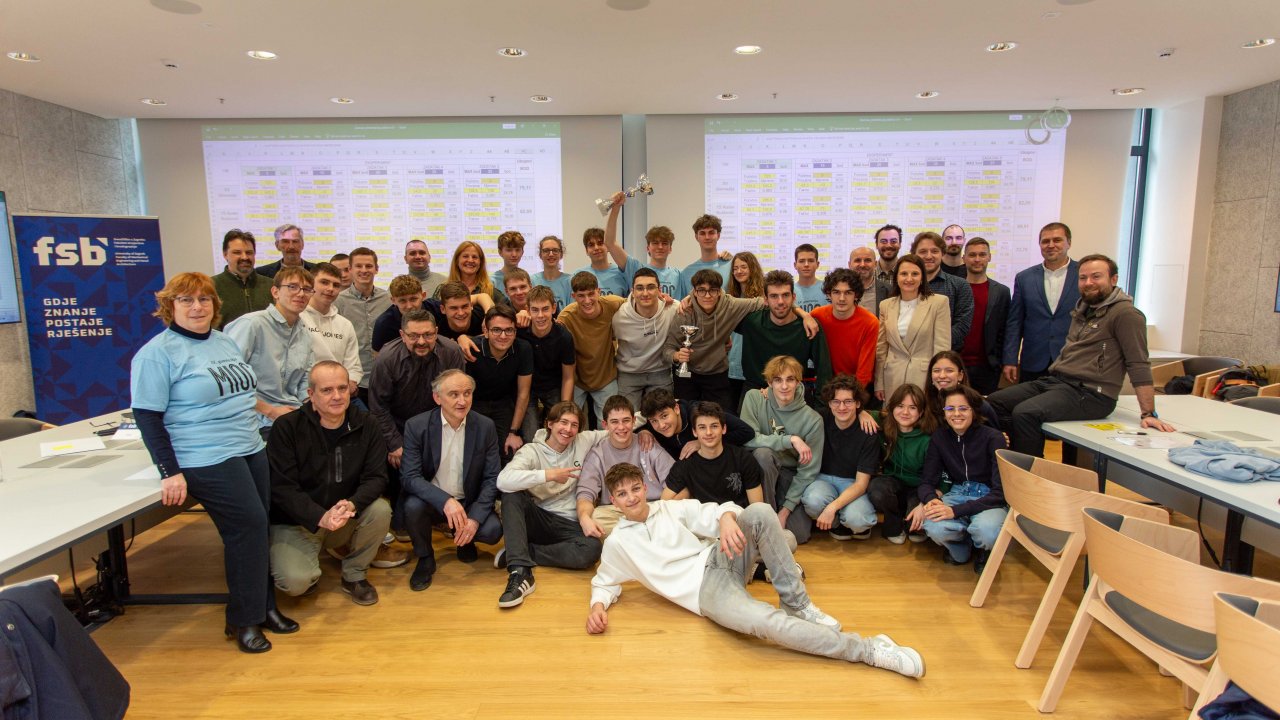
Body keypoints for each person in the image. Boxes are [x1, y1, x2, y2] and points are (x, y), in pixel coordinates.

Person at [586, 463, 925, 679]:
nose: (632, 498)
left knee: (760, 511)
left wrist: (725, 519)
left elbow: (717, 510)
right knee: (767, 623)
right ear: (613, 501)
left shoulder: (670, 508)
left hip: (721, 556)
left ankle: (797, 603)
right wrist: (597, 607)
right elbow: (604, 581)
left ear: (644, 487)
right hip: (708, 593)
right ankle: (868, 649)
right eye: (622, 494)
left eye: (635, 489)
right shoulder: (618, 543)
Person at [131, 272, 297, 653]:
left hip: (248, 445)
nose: (197, 307)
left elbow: (243, 393)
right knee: (246, 527)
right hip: (203, 454)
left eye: (204, 299)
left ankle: (265, 607)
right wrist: (170, 471)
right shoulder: (158, 353)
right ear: (169, 306)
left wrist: (269, 411)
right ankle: (243, 620)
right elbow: (148, 417)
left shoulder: (223, 342)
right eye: (186, 300)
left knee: (260, 526)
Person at [987, 254, 1176, 456]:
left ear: (1113, 279)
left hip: (1092, 393)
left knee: (1026, 413)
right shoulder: (1082, 310)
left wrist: (1148, 413)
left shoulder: (1126, 314)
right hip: (1059, 382)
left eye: (1096, 276)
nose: (1088, 283)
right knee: (992, 403)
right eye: (1083, 278)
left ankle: (1027, 468)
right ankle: (1009, 460)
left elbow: (1138, 364)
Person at [267, 362, 390, 606]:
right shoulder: (287, 427)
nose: (337, 396)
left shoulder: (367, 424)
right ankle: (309, 563)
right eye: (327, 390)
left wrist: (352, 504)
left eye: (342, 388)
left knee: (380, 510)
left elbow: (377, 478)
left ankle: (354, 574)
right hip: (298, 522)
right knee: (295, 583)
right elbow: (282, 488)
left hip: (343, 516)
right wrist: (320, 517)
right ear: (311, 394)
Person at [367, 309, 466, 547]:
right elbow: (378, 407)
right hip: (399, 423)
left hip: (438, 421)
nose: (421, 341)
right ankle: (402, 520)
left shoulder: (451, 352)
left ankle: (439, 515)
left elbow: (458, 394)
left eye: (428, 335)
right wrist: (394, 443)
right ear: (402, 335)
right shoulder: (387, 359)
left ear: (436, 332)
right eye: (413, 336)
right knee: (402, 468)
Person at [494, 402, 607, 608]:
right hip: (539, 518)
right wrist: (548, 475)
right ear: (550, 424)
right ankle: (520, 572)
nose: (568, 429)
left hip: (568, 522)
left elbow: (618, 426)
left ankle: (524, 552)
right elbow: (503, 480)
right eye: (563, 422)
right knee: (511, 494)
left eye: (574, 425)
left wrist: (645, 432)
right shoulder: (531, 451)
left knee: (592, 548)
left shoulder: (582, 440)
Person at [399, 369, 503, 591]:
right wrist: (445, 501)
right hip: (433, 501)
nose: (462, 401)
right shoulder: (416, 426)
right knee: (412, 506)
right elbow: (410, 477)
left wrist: (474, 519)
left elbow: (491, 477)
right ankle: (425, 557)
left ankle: (464, 539)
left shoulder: (485, 426)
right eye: (454, 394)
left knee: (492, 530)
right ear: (437, 398)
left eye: (467, 393)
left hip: (467, 501)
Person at [665, 269, 815, 411]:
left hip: (716, 374)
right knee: (685, 416)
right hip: (687, 374)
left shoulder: (731, 305)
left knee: (725, 419)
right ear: (694, 292)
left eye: (713, 290)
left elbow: (773, 302)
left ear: (720, 291)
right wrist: (676, 356)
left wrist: (805, 314)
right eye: (701, 290)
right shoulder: (685, 311)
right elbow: (668, 348)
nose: (707, 295)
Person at [912, 385, 1008, 572]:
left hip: (989, 496)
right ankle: (963, 546)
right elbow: (926, 482)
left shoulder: (994, 438)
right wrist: (931, 500)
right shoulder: (939, 437)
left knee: (987, 531)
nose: (956, 414)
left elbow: (1000, 493)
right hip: (958, 491)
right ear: (944, 412)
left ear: (974, 410)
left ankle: (984, 549)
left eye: (963, 408)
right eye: (950, 408)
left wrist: (955, 511)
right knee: (932, 525)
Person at [741, 355, 824, 544]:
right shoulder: (755, 398)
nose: (784, 386)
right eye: (778, 380)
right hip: (760, 472)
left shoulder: (813, 420)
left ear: (798, 382)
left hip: (789, 475)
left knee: (799, 534)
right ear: (769, 383)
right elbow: (748, 439)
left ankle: (776, 517)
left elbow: (808, 471)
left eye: (790, 379)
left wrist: (786, 511)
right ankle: (765, 518)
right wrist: (790, 440)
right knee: (763, 454)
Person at [224, 267, 316, 436]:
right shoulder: (251, 324)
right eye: (293, 287)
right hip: (254, 418)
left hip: (291, 414)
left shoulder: (304, 332)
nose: (301, 294)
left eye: (307, 289)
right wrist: (270, 411)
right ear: (275, 292)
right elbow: (228, 381)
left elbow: (305, 379)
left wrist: (313, 408)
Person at [576, 395, 675, 537]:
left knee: (675, 511)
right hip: (618, 511)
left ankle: (640, 535)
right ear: (605, 425)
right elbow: (585, 493)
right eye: (614, 422)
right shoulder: (597, 454)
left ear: (634, 421)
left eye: (626, 420)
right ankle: (646, 535)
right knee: (596, 517)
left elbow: (676, 483)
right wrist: (584, 518)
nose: (621, 427)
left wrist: (661, 509)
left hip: (652, 507)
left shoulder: (647, 444)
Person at [799, 375, 880, 541]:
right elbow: (793, 409)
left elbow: (861, 484)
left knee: (858, 520)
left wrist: (831, 508)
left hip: (853, 483)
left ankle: (846, 519)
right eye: (836, 401)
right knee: (812, 501)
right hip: (823, 480)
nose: (841, 407)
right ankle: (836, 523)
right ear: (829, 403)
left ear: (858, 404)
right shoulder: (820, 419)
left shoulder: (868, 431)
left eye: (848, 401)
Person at [736, 269, 832, 404]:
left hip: (794, 393)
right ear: (765, 300)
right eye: (774, 296)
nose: (780, 301)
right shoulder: (751, 322)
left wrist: (821, 406)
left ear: (793, 297)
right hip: (755, 394)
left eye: (785, 295)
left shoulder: (809, 327)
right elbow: (719, 314)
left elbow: (823, 370)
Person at [1002, 222, 1080, 385]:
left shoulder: (1083, 275)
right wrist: (1010, 359)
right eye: (1045, 241)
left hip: (1072, 361)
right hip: (1033, 361)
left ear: (1069, 243)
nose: (1051, 245)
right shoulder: (1024, 278)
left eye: (1057, 240)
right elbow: (1015, 322)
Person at [866, 384, 936, 544]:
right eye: (900, 406)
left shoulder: (928, 438)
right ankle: (894, 523)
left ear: (921, 412)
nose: (905, 412)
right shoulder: (884, 424)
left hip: (919, 487)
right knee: (877, 489)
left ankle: (911, 521)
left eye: (913, 407)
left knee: (917, 525)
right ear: (892, 407)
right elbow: (856, 409)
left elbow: (934, 476)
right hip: (892, 483)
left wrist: (925, 502)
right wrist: (863, 414)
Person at [875, 254, 950, 401]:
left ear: (922, 278)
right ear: (896, 277)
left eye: (915, 274)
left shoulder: (939, 303)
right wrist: (879, 383)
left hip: (924, 377)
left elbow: (942, 348)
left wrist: (938, 379)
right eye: (904, 274)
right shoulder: (885, 305)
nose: (909, 279)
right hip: (892, 377)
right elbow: (881, 348)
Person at [662, 401, 765, 507]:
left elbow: (757, 508)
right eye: (702, 427)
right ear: (695, 432)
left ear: (724, 429)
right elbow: (664, 503)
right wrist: (687, 493)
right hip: (704, 516)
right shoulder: (684, 466)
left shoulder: (743, 459)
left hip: (740, 515)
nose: (708, 432)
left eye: (714, 426)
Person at [557, 271, 626, 426]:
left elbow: (638, 303)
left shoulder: (613, 304)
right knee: (572, 424)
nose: (587, 300)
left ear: (598, 292)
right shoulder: (566, 318)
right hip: (576, 379)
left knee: (610, 424)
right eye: (581, 296)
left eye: (591, 294)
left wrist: (664, 299)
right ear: (573, 296)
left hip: (605, 378)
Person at [465, 305, 533, 459]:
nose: (503, 336)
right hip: (475, 404)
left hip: (503, 404)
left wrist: (513, 432)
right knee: (476, 450)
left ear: (515, 332)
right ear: (486, 332)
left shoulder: (523, 349)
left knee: (508, 449)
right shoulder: (472, 348)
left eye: (509, 330)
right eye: (496, 330)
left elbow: (523, 393)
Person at [613, 268, 677, 408]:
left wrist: (689, 298)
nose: (645, 293)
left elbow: (695, 302)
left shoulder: (671, 308)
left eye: (651, 287)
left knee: (663, 414)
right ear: (632, 291)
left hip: (660, 371)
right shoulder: (619, 316)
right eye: (640, 288)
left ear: (659, 290)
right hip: (629, 373)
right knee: (627, 416)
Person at [518, 285, 575, 437]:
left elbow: (568, 377)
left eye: (545, 309)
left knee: (558, 431)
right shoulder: (519, 330)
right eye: (535, 310)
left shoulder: (564, 336)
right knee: (530, 435)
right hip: (527, 388)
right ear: (527, 310)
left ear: (554, 308)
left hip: (553, 387)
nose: (540, 315)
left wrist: (564, 408)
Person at [335, 247, 391, 403]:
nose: (364, 270)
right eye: (358, 266)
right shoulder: (338, 301)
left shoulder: (388, 299)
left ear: (376, 269)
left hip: (386, 378)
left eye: (369, 266)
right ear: (350, 270)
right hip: (354, 382)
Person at [639, 388, 757, 461]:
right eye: (654, 421)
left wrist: (703, 442)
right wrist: (644, 431)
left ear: (676, 409)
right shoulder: (653, 426)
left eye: (664, 416)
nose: (661, 425)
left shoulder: (700, 412)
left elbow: (746, 431)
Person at [601, 194, 682, 297]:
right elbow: (610, 243)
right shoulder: (636, 269)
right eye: (655, 243)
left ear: (670, 249)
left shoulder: (679, 275)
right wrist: (616, 208)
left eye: (664, 243)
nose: (660, 247)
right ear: (648, 248)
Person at [811, 267, 878, 390]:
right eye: (836, 292)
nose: (842, 298)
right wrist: (803, 315)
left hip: (858, 388)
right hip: (827, 385)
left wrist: (849, 396)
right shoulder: (817, 315)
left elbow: (864, 372)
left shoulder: (870, 322)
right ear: (829, 294)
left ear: (856, 295)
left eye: (848, 293)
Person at [958, 237, 1010, 394]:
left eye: (982, 255)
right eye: (972, 255)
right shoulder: (955, 288)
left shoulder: (1001, 292)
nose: (977, 259)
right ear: (964, 258)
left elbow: (1005, 330)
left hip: (988, 367)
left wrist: (1002, 361)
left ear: (989, 257)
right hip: (957, 364)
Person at [301, 262, 362, 394]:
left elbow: (353, 366)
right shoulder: (297, 318)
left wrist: (349, 383)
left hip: (340, 392)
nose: (330, 289)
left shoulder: (345, 324)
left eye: (336, 285)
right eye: (324, 282)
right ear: (310, 284)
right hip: (306, 393)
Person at [910, 231, 973, 351]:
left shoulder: (960, 285)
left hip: (946, 356)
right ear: (914, 254)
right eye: (923, 251)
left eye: (934, 251)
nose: (929, 256)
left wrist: (932, 343)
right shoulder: (905, 286)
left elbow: (962, 326)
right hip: (909, 355)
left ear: (943, 253)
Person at [727, 251, 766, 414]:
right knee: (731, 412)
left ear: (753, 268)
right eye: (735, 268)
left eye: (743, 267)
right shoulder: (729, 297)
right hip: (731, 362)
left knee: (749, 414)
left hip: (754, 365)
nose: (739, 271)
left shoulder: (764, 297)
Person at [212, 228, 273, 329]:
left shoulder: (271, 286)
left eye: (249, 252)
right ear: (225, 254)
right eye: (237, 252)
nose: (244, 257)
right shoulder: (211, 286)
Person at [924, 351, 1001, 429]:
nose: (942, 376)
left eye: (949, 371)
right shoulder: (923, 404)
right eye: (936, 371)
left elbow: (995, 433)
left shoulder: (979, 405)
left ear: (960, 375)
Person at [586, 203, 641, 297]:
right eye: (591, 245)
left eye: (600, 243)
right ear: (586, 250)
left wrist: (616, 207)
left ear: (607, 246)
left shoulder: (622, 273)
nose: (596, 248)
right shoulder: (579, 274)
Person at [679, 214, 732, 297]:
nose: (707, 237)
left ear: (718, 236)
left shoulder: (732, 267)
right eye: (702, 233)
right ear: (696, 237)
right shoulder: (686, 273)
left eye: (711, 233)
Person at [441, 240, 507, 305]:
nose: (470, 260)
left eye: (474, 257)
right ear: (457, 261)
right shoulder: (443, 289)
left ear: (481, 263)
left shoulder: (491, 292)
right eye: (465, 256)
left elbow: (508, 310)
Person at [531, 235, 573, 310]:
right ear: (540, 255)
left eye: (555, 250)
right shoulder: (532, 281)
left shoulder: (570, 281)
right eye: (546, 250)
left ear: (561, 254)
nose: (551, 254)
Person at [848, 245, 888, 317]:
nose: (862, 265)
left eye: (867, 260)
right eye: (857, 260)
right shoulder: (838, 291)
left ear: (875, 264)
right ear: (849, 265)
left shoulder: (889, 290)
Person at [792, 244, 825, 312]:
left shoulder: (827, 288)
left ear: (817, 264)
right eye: (801, 261)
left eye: (811, 261)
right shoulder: (790, 291)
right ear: (795, 265)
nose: (806, 264)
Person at [492, 230, 526, 296]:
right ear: (500, 252)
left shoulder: (527, 279)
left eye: (517, 250)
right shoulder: (492, 282)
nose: (514, 254)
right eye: (509, 250)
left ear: (522, 252)